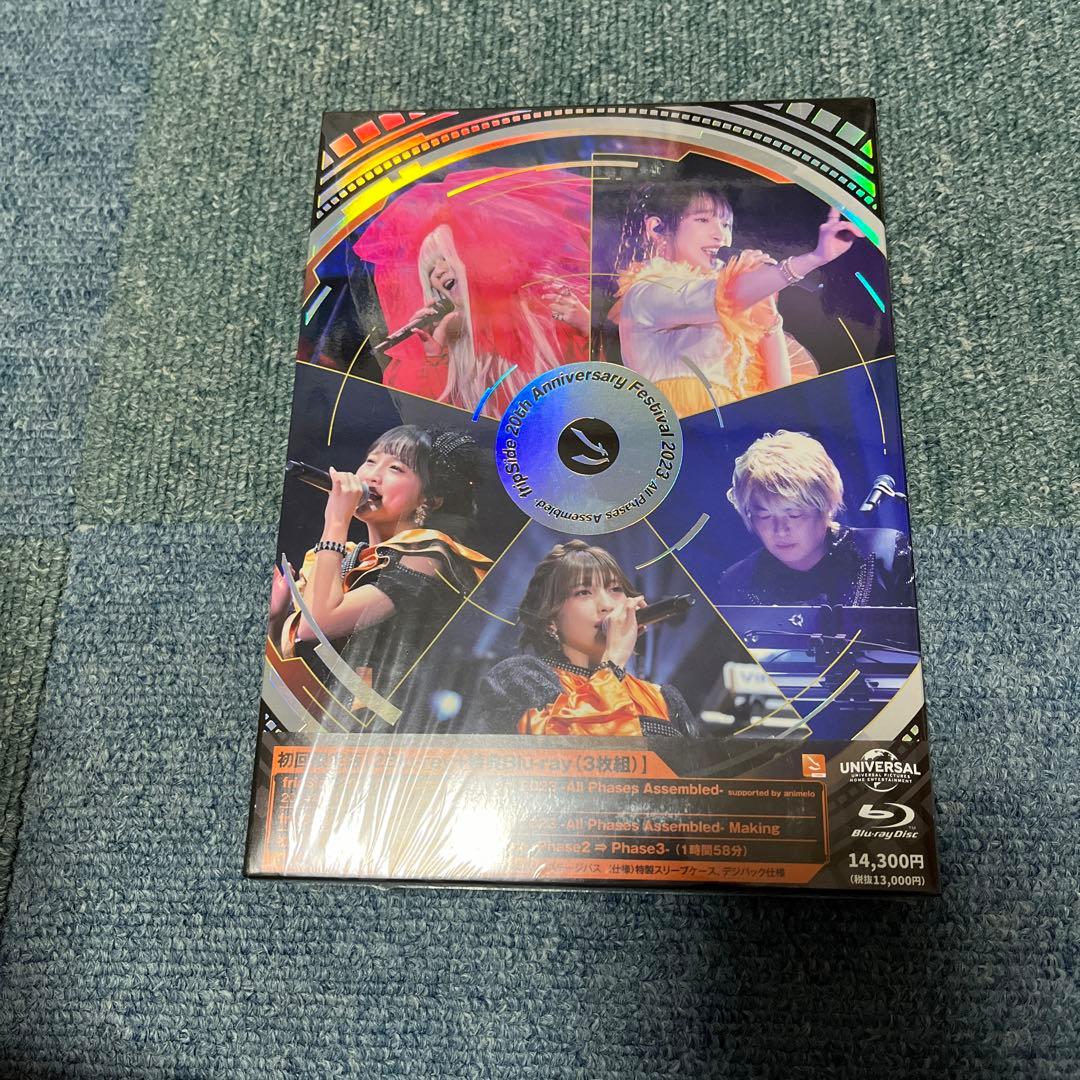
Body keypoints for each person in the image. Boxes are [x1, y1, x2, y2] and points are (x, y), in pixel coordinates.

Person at [267, 425, 492, 728]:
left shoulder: (430, 556)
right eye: (371, 461)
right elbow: (298, 658)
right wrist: (276, 619)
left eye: (396, 468)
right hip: (320, 723)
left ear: (430, 499)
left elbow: (317, 627)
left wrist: (336, 520)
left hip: (385, 733)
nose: (372, 475)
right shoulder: (348, 557)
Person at [353, 168, 591, 416]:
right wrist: (434, 357)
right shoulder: (452, 346)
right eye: (431, 270)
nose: (439, 272)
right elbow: (432, 423)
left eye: (446, 257)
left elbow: (604, 381)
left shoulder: (548, 305)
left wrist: (588, 326)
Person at [611, 180, 857, 417]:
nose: (720, 235)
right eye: (703, 220)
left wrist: (769, 319)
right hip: (683, 427)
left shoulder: (734, 304)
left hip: (737, 429)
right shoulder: (647, 292)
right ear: (656, 228)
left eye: (726, 225)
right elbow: (722, 297)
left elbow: (779, 396)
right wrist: (811, 259)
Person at [470, 541, 700, 737]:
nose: (607, 605)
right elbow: (567, 749)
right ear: (551, 620)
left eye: (615, 589)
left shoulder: (663, 698)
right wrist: (614, 661)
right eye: (583, 592)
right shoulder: (520, 677)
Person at [715, 430, 914, 607]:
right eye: (764, 516)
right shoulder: (737, 583)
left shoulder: (887, 553)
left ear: (826, 506)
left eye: (794, 514)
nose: (780, 530)